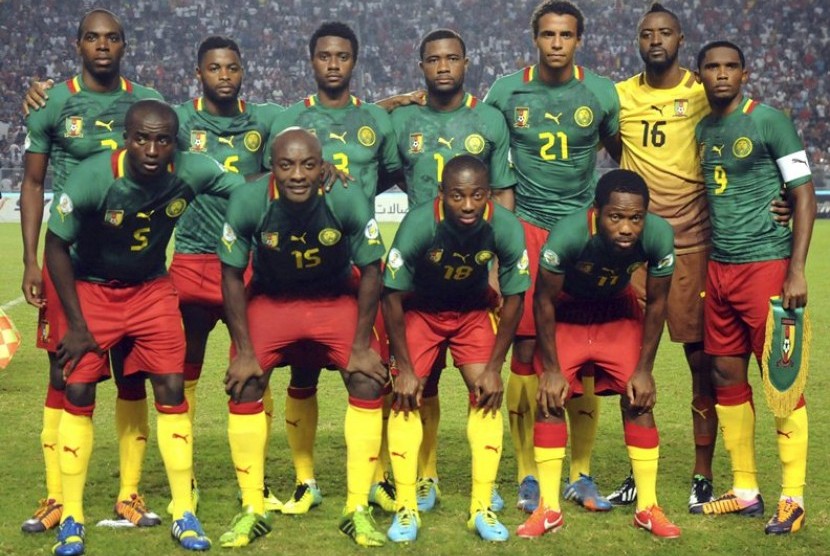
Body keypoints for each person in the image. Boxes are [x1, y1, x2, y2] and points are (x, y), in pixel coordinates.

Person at [609, 2, 792, 510]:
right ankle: (635, 471)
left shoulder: (705, 92)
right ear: (638, 41)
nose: (656, 41)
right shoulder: (620, 95)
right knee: (630, 361)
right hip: (637, 253)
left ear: (680, 38)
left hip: (694, 248)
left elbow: (747, 144)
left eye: (665, 32)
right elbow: (608, 144)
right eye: (647, 34)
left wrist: (779, 195)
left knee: (703, 364)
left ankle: (702, 473)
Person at [44, 99, 245, 555]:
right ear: (126, 139)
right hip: (93, 289)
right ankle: (72, 516)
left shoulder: (192, 170)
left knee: (172, 390)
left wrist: (302, 180)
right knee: (78, 392)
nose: (153, 148)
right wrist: (76, 325)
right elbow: (56, 245)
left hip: (152, 289)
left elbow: (246, 188)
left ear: (175, 143)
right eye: (142, 138)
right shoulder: (94, 178)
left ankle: (182, 511)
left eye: (162, 139)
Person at [19, 8, 164, 534]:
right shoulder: (54, 101)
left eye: (112, 38)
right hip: (71, 267)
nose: (103, 46)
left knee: (132, 378)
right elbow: (33, 183)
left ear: (124, 45)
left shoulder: (146, 104)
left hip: (134, 267)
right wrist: (31, 259)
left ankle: (129, 494)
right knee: (64, 375)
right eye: (93, 38)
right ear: (78, 44)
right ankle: (57, 494)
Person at [219, 128, 389, 548]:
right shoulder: (247, 201)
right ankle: (252, 508)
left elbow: (372, 270)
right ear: (272, 168)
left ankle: (357, 509)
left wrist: (362, 345)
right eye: (286, 165)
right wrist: (243, 351)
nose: (297, 175)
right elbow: (230, 276)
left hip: (333, 300)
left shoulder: (346, 197)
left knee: (368, 378)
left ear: (322, 167)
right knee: (245, 381)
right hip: (273, 302)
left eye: (308, 165)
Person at [484, 0, 619, 513]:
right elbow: (485, 146)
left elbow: (620, 152)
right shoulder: (506, 91)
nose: (556, 43)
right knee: (522, 352)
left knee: (581, 353)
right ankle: (527, 475)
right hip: (527, 230)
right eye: (548, 35)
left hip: (583, 231)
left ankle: (581, 475)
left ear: (579, 39)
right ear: (535, 38)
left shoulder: (601, 92)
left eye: (566, 35)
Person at [264, 21, 403, 516]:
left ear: (354, 61)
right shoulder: (287, 120)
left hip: (359, 268)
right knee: (301, 374)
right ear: (312, 61)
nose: (333, 64)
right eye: (324, 55)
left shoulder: (377, 122)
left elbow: (392, 179)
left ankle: (378, 475)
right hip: (300, 269)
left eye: (342, 56)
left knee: (370, 371)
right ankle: (306, 481)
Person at [387, 28, 516, 513]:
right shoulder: (402, 121)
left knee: (480, 378)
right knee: (423, 380)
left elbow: (502, 192)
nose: (443, 66)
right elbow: (361, 136)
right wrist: (390, 101)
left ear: (466, 62)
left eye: (452, 58)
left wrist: (498, 272)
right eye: (433, 59)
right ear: (421, 66)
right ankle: (427, 474)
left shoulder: (489, 119)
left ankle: (484, 479)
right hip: (420, 267)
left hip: (472, 269)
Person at [693, 40, 816, 535]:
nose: (721, 74)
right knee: (725, 378)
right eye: (712, 67)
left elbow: (803, 196)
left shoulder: (771, 121)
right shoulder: (703, 129)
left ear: (744, 73)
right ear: (700, 74)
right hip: (719, 270)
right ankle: (745, 490)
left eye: (730, 67)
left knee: (783, 384)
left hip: (766, 267)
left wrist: (797, 269)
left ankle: (793, 497)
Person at [517, 169, 680, 539]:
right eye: (616, 216)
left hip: (615, 312)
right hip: (568, 311)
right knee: (550, 398)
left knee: (639, 399)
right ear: (597, 211)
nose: (626, 228)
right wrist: (553, 369)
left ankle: (648, 507)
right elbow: (542, 300)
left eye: (635, 218)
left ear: (646, 215)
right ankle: (548, 509)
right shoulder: (568, 234)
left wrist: (645, 369)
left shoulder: (659, 236)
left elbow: (657, 304)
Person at [382, 155, 528, 542]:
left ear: (489, 195)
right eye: (458, 196)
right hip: (421, 311)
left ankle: (480, 507)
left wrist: (496, 367)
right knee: (406, 394)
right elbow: (391, 295)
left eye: (477, 195)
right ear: (442, 194)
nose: (467, 205)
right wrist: (405, 367)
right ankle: (406, 506)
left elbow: (514, 299)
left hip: (471, 312)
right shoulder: (419, 223)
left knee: (487, 392)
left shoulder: (506, 226)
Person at [168, 35, 285, 512]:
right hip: (192, 259)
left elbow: (327, 115)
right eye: (214, 68)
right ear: (199, 73)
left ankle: (254, 481)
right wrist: (46, 92)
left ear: (243, 72)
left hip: (248, 262)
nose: (224, 75)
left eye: (232, 68)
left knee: (255, 369)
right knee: (182, 369)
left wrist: (394, 102)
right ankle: (186, 475)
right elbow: (123, 115)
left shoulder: (267, 118)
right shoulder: (177, 119)